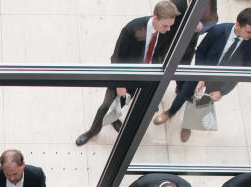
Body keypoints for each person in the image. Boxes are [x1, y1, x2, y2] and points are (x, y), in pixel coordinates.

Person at [153, 7, 251, 144]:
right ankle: (170, 112)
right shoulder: (218, 31)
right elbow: (200, 51)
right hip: (202, 71)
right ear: (238, 24)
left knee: (201, 104)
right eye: (248, 32)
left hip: (220, 82)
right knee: (184, 93)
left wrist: (222, 92)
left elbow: (243, 71)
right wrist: (201, 76)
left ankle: (188, 126)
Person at [75, 2, 180, 145]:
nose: (168, 30)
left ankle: (114, 119)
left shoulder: (165, 32)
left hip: (145, 77)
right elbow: (116, 58)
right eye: (165, 26)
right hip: (125, 77)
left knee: (122, 104)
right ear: (155, 18)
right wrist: (119, 84)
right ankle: (93, 131)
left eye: (170, 26)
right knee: (106, 106)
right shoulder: (132, 30)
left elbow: (160, 54)